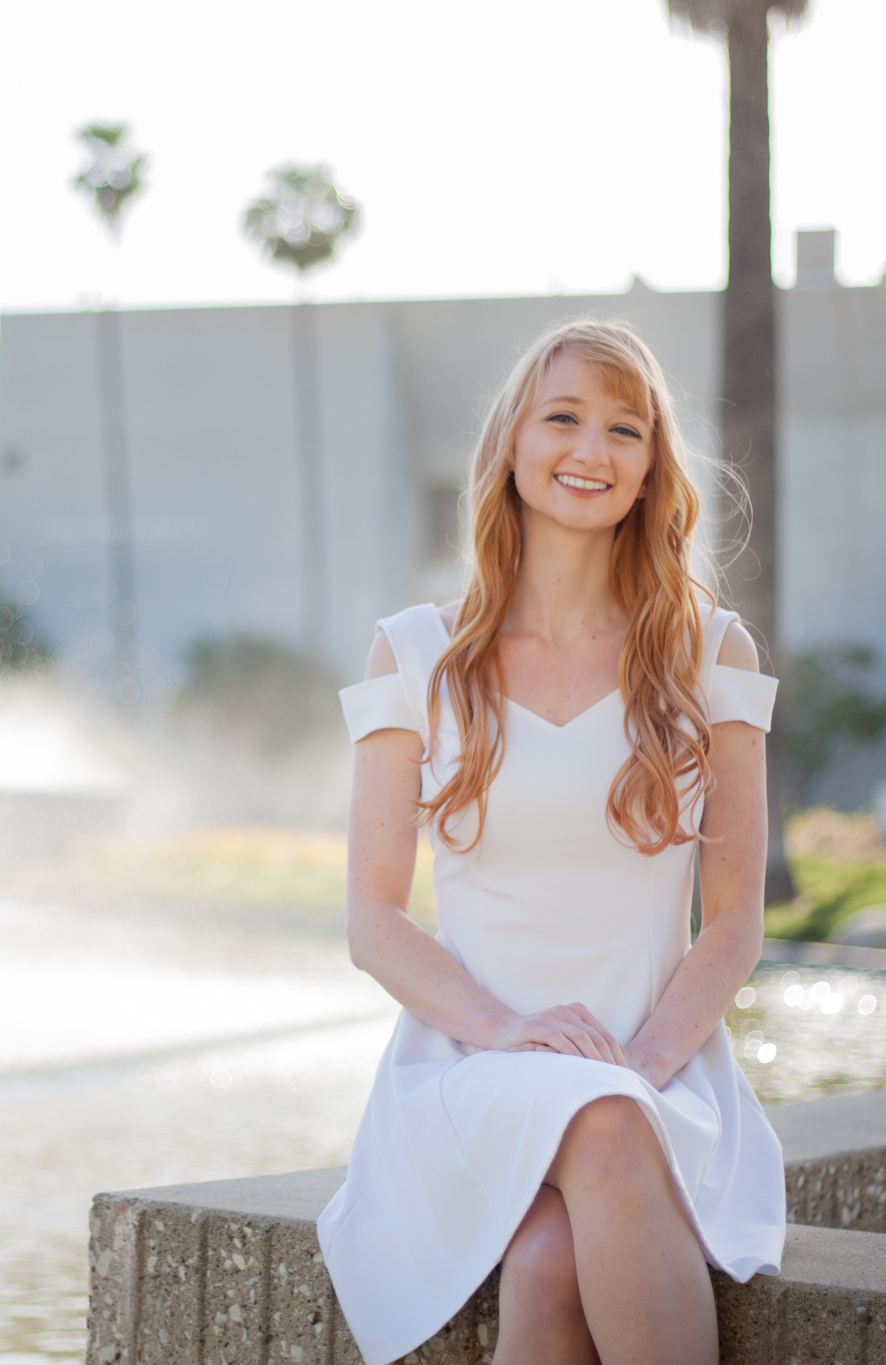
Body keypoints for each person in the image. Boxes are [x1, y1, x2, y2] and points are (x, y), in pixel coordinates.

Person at [315, 319, 784, 1365]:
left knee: (545, 1259)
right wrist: (503, 1028)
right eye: (562, 417)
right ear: (511, 445)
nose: (591, 450)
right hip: (467, 1066)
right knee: (598, 1132)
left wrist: (641, 1066)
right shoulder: (416, 653)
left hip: (660, 1072)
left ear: (650, 467)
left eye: (625, 429)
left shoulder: (710, 653)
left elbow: (736, 917)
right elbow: (372, 923)